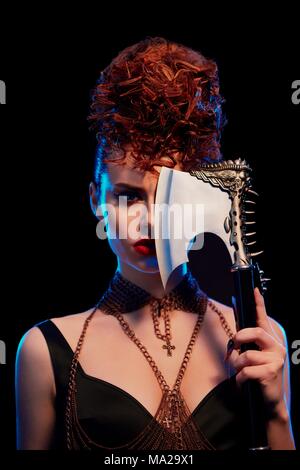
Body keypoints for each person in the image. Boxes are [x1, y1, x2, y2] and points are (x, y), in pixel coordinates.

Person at [15, 37, 295, 450]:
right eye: (127, 196)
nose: (147, 219)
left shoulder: (260, 338)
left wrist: (276, 412)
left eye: (167, 196)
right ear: (96, 200)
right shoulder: (44, 351)